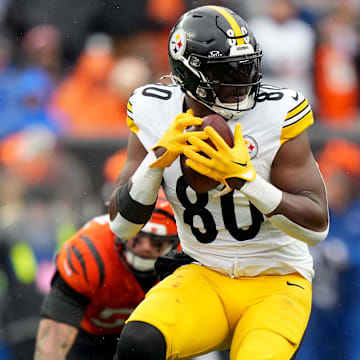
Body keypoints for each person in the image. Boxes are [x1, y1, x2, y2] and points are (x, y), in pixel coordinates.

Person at [108, 5, 329, 360]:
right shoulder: (154, 110)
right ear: (189, 72)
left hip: (276, 282)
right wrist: (156, 161)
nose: (241, 79)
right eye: (226, 70)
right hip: (205, 274)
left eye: (246, 66)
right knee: (138, 342)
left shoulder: (277, 112)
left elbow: (316, 228)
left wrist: (246, 180)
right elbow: (121, 225)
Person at [34, 193, 178, 360]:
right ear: (122, 231)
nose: (145, 247)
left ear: (175, 242)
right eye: (138, 237)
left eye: (157, 242)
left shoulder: (186, 256)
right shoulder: (91, 251)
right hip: (88, 338)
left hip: (150, 339)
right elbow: (54, 337)